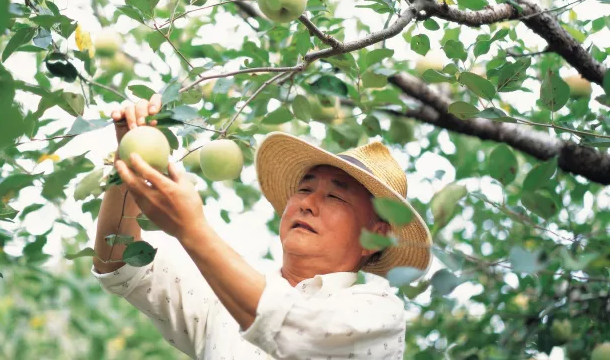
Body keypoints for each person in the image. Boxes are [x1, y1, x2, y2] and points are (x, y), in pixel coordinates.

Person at [91, 94, 432, 359]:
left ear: (375, 236)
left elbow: (299, 334)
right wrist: (127, 166)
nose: (307, 203)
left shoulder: (377, 312)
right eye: (304, 188)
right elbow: (120, 264)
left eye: (336, 197)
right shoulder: (224, 295)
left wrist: (193, 230)